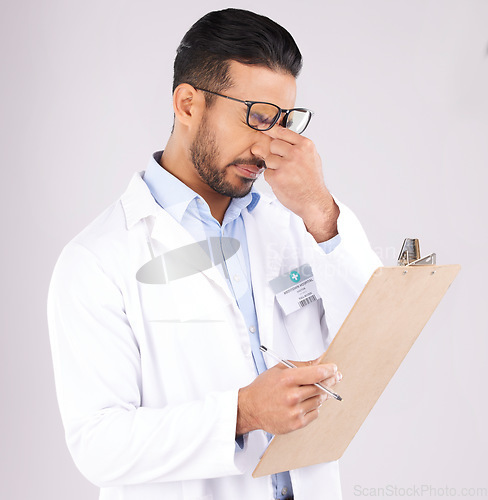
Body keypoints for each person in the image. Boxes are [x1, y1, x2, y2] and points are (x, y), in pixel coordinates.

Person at [47, 8, 381, 500]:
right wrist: (242, 412)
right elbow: (97, 445)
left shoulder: (294, 225)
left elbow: (377, 333)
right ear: (187, 105)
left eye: (284, 122)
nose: (270, 145)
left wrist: (319, 209)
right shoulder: (98, 260)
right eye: (258, 118)